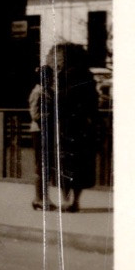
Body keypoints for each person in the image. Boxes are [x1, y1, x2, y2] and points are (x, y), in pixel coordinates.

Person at [30, 43, 100, 213]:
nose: (55, 75)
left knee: (64, 166)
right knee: (56, 166)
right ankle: (52, 200)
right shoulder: (44, 91)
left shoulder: (62, 86)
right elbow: (37, 114)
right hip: (57, 130)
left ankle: (64, 201)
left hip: (66, 129)